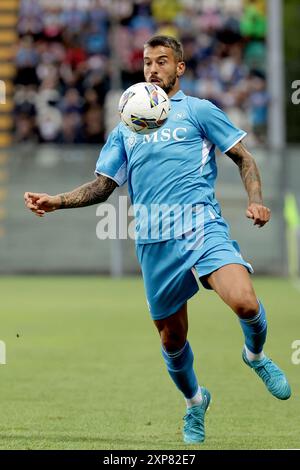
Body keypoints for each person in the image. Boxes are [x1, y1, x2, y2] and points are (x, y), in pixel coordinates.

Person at [24, 36, 291, 445]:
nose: (152, 68)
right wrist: (57, 201)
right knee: (172, 339)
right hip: (153, 239)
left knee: (245, 301)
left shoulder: (199, 111)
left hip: (201, 227)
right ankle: (195, 403)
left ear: (179, 68)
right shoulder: (126, 127)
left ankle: (254, 356)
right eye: (147, 62)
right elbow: (102, 186)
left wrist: (256, 201)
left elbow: (244, 158)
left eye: (162, 61)